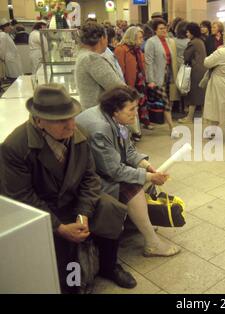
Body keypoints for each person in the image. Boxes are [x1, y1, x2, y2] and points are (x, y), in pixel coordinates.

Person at [0, 84, 136, 292]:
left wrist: (83, 214)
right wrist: (60, 227)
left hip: (74, 201)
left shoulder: (77, 133)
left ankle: (109, 265)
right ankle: (73, 284)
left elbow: (90, 177)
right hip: (44, 210)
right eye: (61, 120)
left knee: (110, 208)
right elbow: (22, 197)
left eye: (72, 116)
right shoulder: (15, 147)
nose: (71, 124)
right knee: (63, 255)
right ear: (39, 121)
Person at [76, 86, 181, 258]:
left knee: (141, 177)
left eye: (137, 108)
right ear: (116, 110)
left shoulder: (114, 119)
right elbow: (114, 171)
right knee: (133, 187)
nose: (136, 113)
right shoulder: (100, 128)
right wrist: (149, 177)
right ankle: (152, 243)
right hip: (86, 179)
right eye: (131, 109)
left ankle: (139, 222)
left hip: (101, 168)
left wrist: (148, 167)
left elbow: (129, 150)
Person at [75, 22, 124, 109]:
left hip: (90, 109)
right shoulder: (92, 59)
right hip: (99, 112)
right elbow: (117, 86)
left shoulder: (83, 54)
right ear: (102, 38)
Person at [145, 18, 180, 138]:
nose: (164, 30)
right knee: (165, 101)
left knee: (169, 100)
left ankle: (168, 122)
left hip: (169, 73)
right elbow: (148, 61)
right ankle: (172, 127)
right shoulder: (151, 42)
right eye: (161, 28)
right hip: (158, 75)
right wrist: (150, 80)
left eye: (165, 28)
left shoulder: (169, 41)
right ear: (155, 30)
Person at [114, 26, 147, 141]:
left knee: (135, 107)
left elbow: (141, 66)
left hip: (139, 82)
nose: (142, 40)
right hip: (128, 83)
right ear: (132, 37)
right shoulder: (121, 49)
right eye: (140, 37)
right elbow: (120, 69)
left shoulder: (137, 50)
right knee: (129, 108)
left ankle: (135, 131)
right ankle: (132, 132)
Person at [179, 22, 207, 123]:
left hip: (195, 71)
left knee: (193, 95)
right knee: (202, 96)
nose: (187, 34)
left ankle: (189, 118)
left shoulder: (193, 42)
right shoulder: (201, 41)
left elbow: (186, 56)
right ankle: (205, 118)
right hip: (203, 70)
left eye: (187, 32)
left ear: (191, 32)